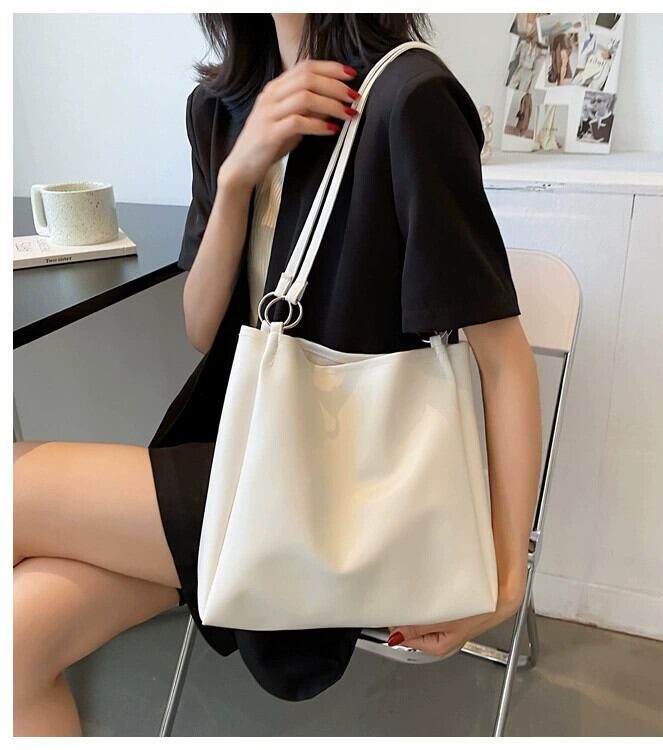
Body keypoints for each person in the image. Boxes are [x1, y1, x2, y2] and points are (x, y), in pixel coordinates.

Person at [14, 13, 542, 736]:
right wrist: (239, 176)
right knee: (18, 641)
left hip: (338, 495)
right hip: (240, 458)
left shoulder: (408, 99)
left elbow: (503, 358)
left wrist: (507, 577)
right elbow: (202, 328)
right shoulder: (222, 109)